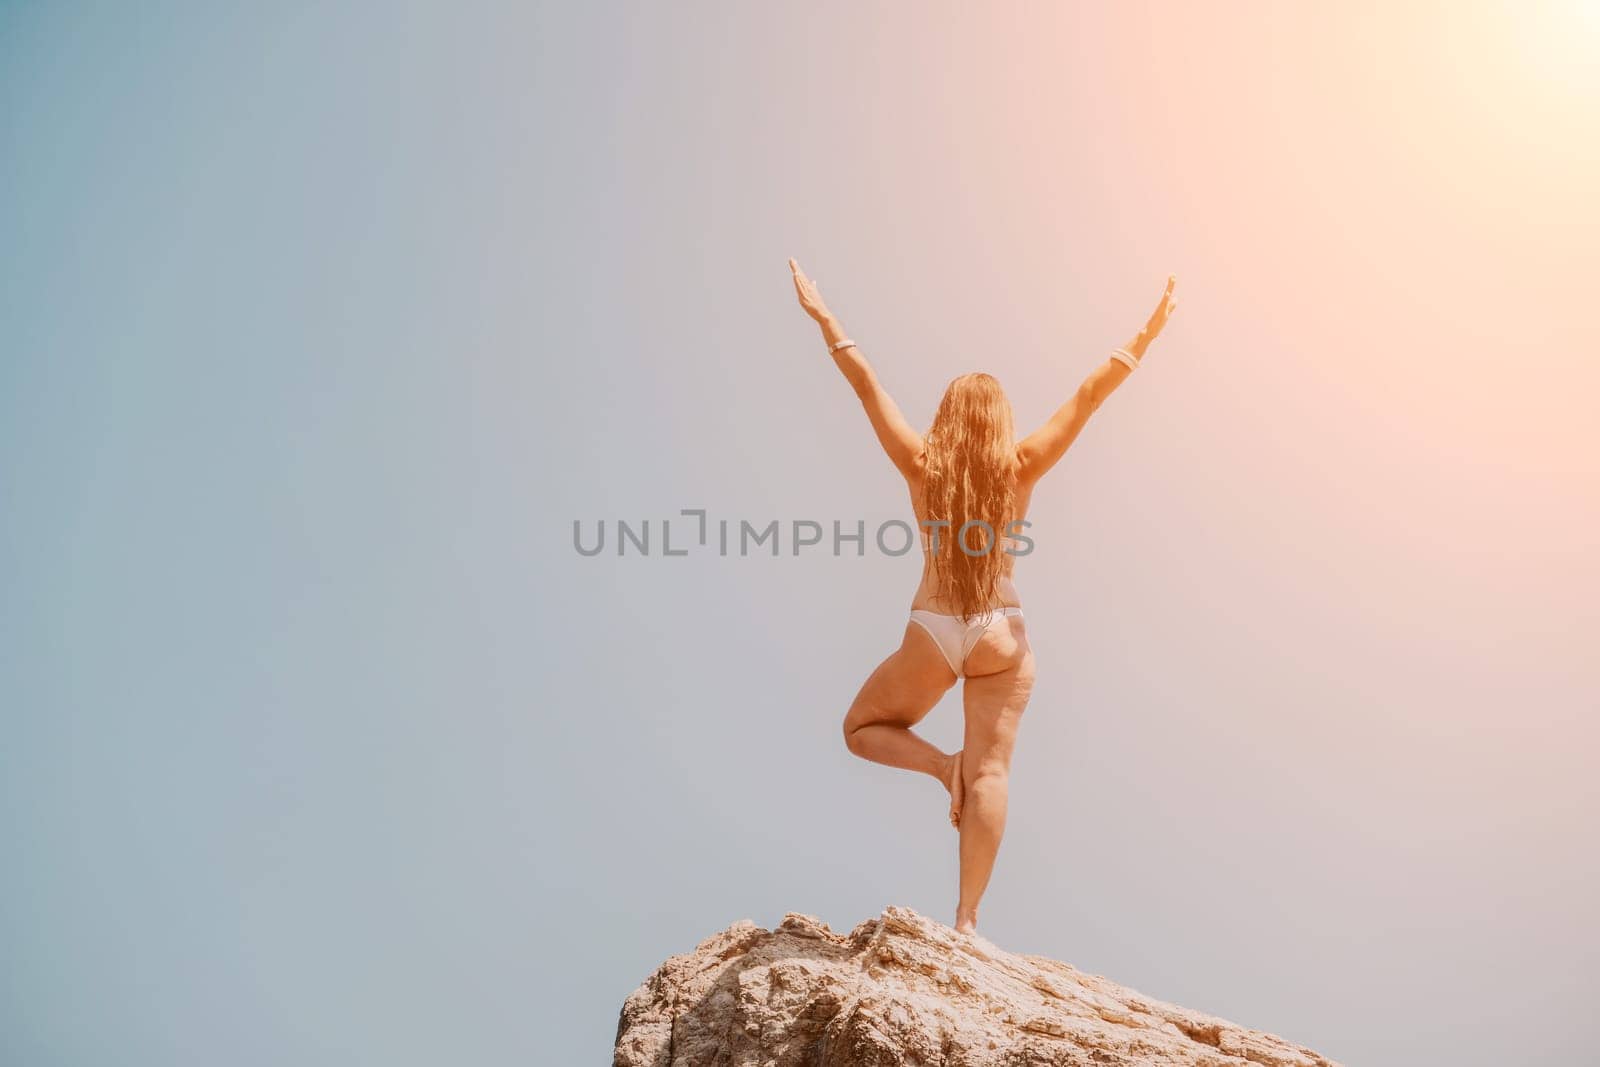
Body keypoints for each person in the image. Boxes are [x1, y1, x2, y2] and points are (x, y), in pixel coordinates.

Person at [788, 257, 1178, 934]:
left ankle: (943, 768)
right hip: (1002, 629)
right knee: (993, 772)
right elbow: (1088, 396)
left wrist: (826, 319)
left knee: (860, 727)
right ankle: (967, 921)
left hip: (933, 629)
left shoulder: (921, 464)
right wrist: (1142, 339)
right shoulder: (1021, 465)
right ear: (999, 422)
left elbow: (866, 385)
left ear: (947, 418)